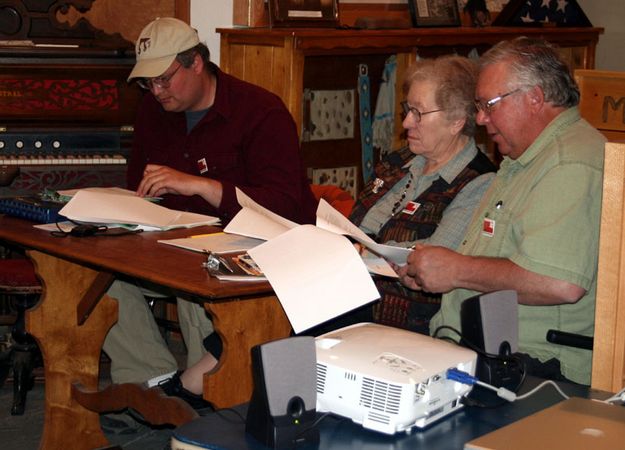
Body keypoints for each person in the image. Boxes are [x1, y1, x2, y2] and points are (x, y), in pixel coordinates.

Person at [101, 17, 317, 409]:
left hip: (252, 252)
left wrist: (200, 186)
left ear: (196, 63)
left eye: (164, 79)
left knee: (196, 277)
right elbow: (141, 186)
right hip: (170, 243)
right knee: (100, 277)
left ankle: (214, 391)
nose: (156, 90)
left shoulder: (260, 112)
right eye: (149, 83)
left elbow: (285, 205)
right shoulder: (154, 109)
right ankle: (154, 388)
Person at [398, 37, 606, 385]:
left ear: (535, 98)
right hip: (490, 353)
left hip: (535, 369)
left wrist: (456, 270)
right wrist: (433, 268)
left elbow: (559, 283)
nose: (479, 118)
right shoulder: (525, 158)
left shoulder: (570, 163)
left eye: (488, 105)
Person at [309, 55, 496, 336]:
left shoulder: (479, 181)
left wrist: (359, 252)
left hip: (401, 319)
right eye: (407, 109)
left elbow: (434, 257)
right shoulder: (399, 161)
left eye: (419, 113)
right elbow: (357, 222)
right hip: (345, 293)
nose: (407, 122)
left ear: (457, 120)